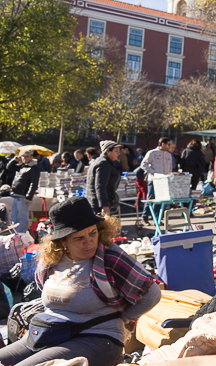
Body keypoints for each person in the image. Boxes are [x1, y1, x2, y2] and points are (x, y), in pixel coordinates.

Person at [0, 196, 161, 366]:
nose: (89, 242)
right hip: (51, 332)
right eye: (78, 238)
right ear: (62, 241)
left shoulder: (110, 258)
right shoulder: (51, 261)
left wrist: (124, 318)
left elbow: (152, 293)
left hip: (98, 337)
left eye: (93, 233)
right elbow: (42, 286)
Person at [139, 137, 173, 226]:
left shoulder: (169, 155)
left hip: (164, 180)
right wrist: (153, 172)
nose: (169, 146)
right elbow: (143, 164)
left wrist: (170, 176)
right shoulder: (152, 153)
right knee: (150, 198)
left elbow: (170, 168)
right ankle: (144, 218)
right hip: (153, 180)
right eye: (168, 144)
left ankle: (157, 219)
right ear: (163, 144)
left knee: (161, 200)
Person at [86, 141, 123, 217]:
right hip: (98, 205)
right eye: (116, 151)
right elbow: (100, 186)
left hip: (97, 203)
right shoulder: (104, 163)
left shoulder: (104, 162)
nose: (118, 154)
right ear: (108, 152)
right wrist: (104, 206)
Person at [10, 149, 40, 233]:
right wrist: (15, 159)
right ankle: (15, 235)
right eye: (24, 157)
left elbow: (33, 183)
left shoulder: (34, 168)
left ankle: (21, 235)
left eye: (27, 156)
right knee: (14, 217)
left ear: (31, 157)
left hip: (23, 196)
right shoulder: (21, 166)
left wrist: (29, 197)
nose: (25, 158)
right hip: (16, 194)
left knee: (22, 217)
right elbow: (9, 167)